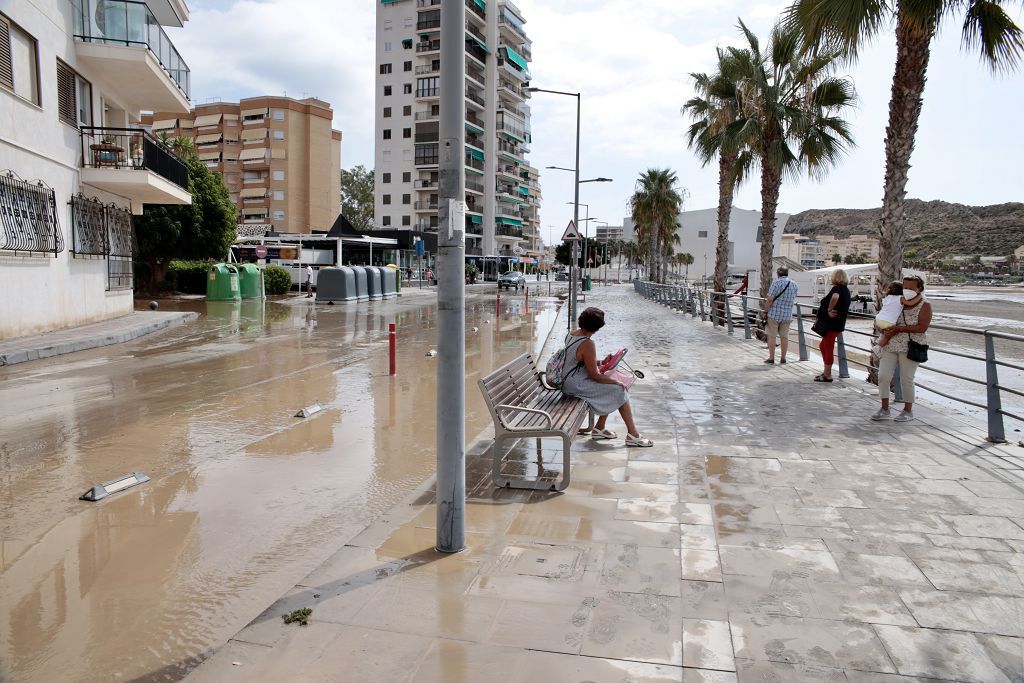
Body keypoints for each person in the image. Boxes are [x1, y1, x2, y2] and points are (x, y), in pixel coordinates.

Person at [559, 307, 653, 447]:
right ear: (597, 327)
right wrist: (617, 382)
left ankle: (599, 428)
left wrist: (602, 362)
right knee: (618, 389)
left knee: (610, 385)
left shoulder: (572, 334)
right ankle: (633, 434)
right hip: (576, 385)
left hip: (569, 381)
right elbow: (594, 375)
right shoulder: (587, 343)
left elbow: (578, 360)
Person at [873, 275, 932, 422]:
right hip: (890, 345)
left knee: (906, 379)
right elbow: (886, 317)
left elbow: (922, 327)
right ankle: (885, 408)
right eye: (905, 287)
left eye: (911, 288)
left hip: (910, 346)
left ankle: (907, 410)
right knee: (883, 376)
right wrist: (885, 329)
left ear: (919, 289)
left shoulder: (925, 305)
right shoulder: (897, 301)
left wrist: (899, 329)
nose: (907, 290)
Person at [814, 269, 852, 382]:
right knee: (823, 346)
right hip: (838, 323)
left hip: (831, 323)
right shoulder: (846, 290)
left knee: (828, 347)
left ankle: (827, 374)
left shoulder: (837, 289)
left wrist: (829, 310)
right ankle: (826, 371)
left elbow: (835, 297)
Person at [763, 267, 798, 364]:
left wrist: (765, 311)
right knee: (784, 337)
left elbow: (770, 299)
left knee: (772, 336)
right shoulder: (794, 284)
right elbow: (794, 298)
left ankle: (771, 358)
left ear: (778, 273)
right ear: (787, 273)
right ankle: (783, 358)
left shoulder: (776, 283)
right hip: (787, 315)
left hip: (774, 314)